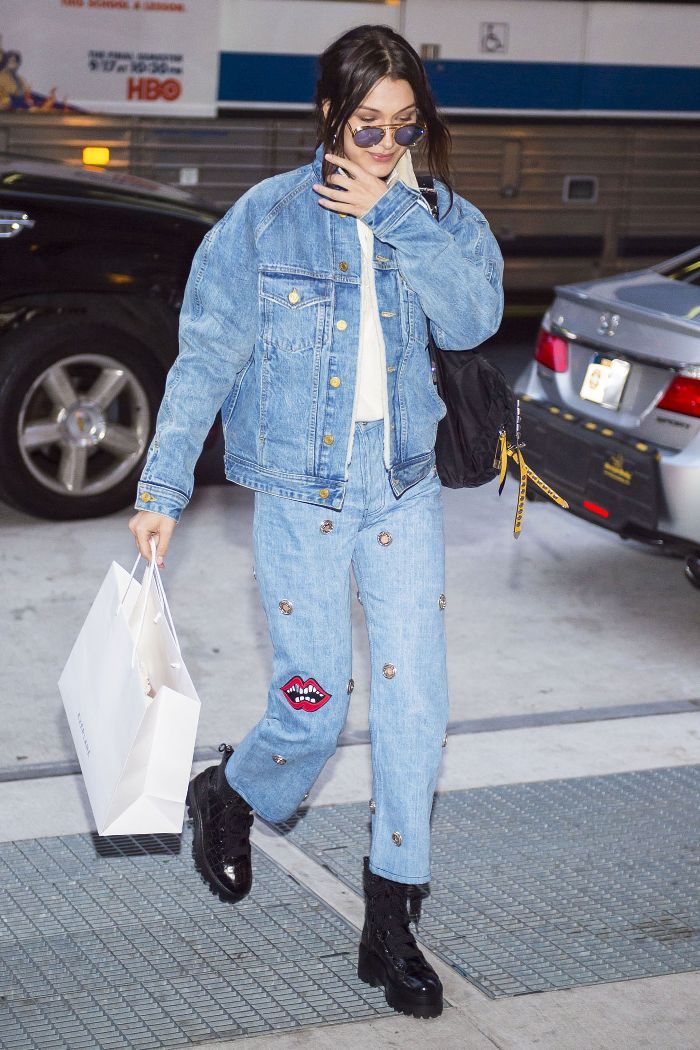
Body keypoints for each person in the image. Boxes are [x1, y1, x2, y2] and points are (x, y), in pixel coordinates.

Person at [129, 23, 504, 1020]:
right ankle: (236, 794)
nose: (384, 147)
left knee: (416, 709)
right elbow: (204, 357)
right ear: (328, 117)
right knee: (313, 699)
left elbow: (471, 322)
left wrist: (402, 217)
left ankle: (391, 927)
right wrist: (161, 490)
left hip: (404, 489)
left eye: (404, 127)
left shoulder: (440, 217)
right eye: (366, 127)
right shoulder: (261, 223)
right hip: (302, 495)